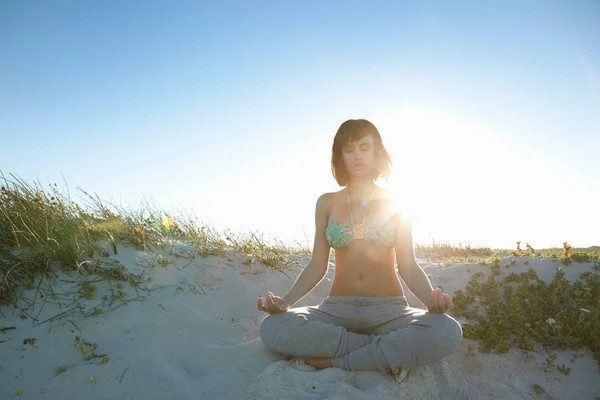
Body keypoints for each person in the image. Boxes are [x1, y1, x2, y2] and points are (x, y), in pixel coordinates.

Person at [257, 119, 462, 377]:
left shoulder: (398, 202)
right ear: (340, 156)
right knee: (272, 328)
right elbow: (317, 265)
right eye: (349, 149)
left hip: (390, 311)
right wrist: (285, 301)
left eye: (365, 147)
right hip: (336, 310)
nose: (357, 156)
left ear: (377, 153)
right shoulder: (327, 202)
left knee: (448, 330)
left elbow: (408, 265)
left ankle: (336, 362)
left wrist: (430, 302)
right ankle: (378, 352)